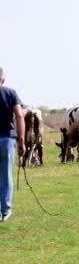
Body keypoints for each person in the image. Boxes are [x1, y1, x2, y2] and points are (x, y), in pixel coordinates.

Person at [0, 67, 25, 222]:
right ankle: (5, 210)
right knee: (6, 176)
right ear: (2, 79)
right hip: (7, 139)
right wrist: (21, 139)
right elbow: (19, 115)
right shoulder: (11, 93)